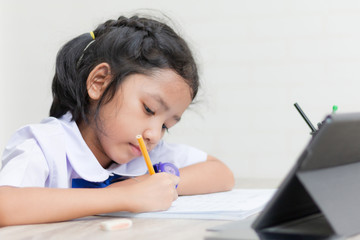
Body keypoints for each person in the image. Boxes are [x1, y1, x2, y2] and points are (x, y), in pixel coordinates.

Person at [0, 14, 234, 226]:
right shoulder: (44, 146)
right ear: (99, 82)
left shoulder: (146, 156)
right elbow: (5, 207)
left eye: (165, 126)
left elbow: (221, 173)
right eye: (149, 109)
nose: (154, 134)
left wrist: (158, 185)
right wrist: (125, 195)